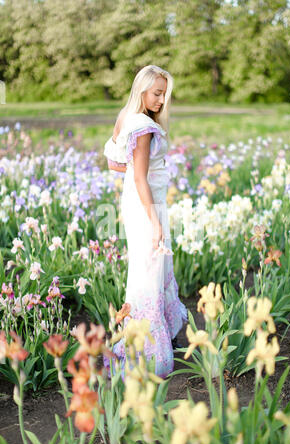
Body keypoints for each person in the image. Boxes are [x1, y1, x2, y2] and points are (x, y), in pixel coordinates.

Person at [103, 65, 188, 380]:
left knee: (148, 271)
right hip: (147, 206)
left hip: (139, 202)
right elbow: (138, 175)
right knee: (149, 274)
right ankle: (147, 355)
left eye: (164, 94)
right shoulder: (143, 126)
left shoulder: (127, 118)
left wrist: (146, 175)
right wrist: (154, 220)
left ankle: (150, 341)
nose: (161, 100)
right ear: (142, 90)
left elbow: (115, 162)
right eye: (156, 93)